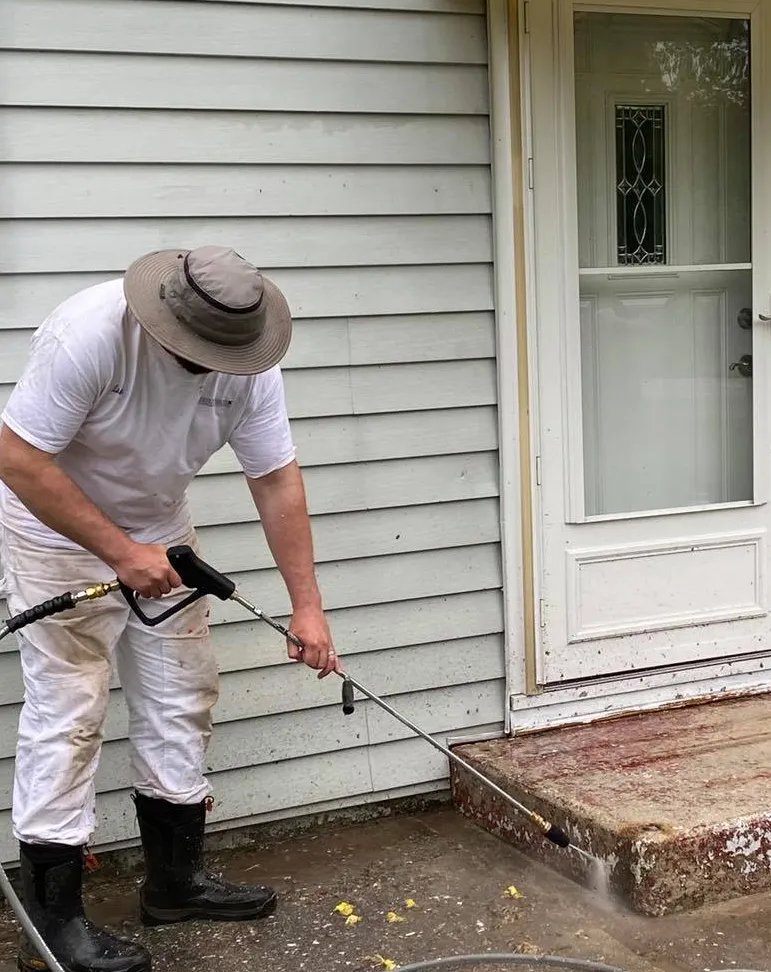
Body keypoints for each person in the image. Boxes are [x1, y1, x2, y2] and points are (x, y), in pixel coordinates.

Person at [0, 245, 340, 972]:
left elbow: (275, 479)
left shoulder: (251, 362)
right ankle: (54, 924)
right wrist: (120, 552)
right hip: (54, 533)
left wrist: (307, 608)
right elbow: (18, 458)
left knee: (183, 695)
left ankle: (174, 886)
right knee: (70, 713)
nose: (212, 365)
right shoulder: (89, 334)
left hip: (161, 533)